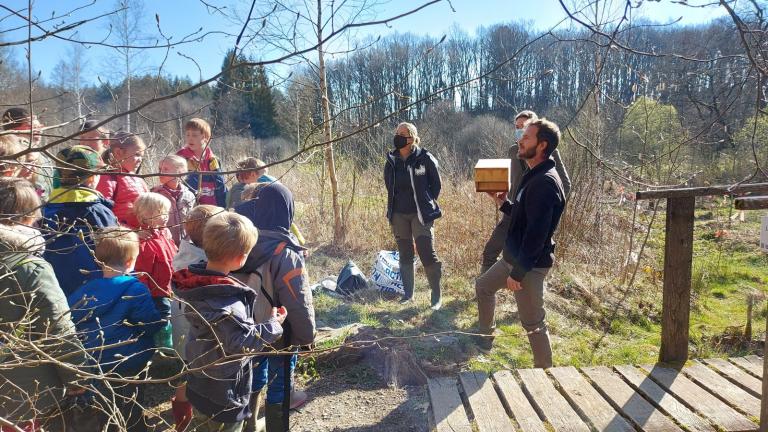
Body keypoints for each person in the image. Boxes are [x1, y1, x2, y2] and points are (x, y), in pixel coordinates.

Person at [173, 212, 287, 431]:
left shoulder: (193, 281)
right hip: (223, 392)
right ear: (241, 258)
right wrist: (274, 324)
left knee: (203, 425)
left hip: (198, 378)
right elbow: (241, 341)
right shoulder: (227, 300)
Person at [474, 118, 567, 368]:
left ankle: (546, 375)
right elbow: (526, 216)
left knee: (533, 325)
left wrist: (518, 272)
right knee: (483, 287)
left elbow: (537, 233)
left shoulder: (545, 182)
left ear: (542, 145)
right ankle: (485, 339)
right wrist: (504, 204)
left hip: (529, 266)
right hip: (513, 258)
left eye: (526, 137)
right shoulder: (533, 174)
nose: (519, 140)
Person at [0, 178, 87, 430]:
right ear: (28, 217)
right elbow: (57, 330)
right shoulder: (29, 268)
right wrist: (77, 377)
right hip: (24, 393)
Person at [234, 181, 315, 431]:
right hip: (282, 332)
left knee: (254, 376)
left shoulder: (241, 242)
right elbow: (298, 301)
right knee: (280, 383)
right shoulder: (285, 252)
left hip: (248, 328)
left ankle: (249, 425)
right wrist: (307, 336)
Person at [68, 226, 164, 432]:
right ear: (131, 261)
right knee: (131, 405)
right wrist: (162, 321)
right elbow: (149, 324)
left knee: (106, 405)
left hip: (95, 360)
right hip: (128, 360)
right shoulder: (135, 288)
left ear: (98, 260)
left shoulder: (84, 290)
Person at [480, 110, 571, 274]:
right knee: (490, 251)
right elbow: (512, 179)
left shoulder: (550, 152)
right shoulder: (513, 151)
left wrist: (545, 208)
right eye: (517, 127)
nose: (520, 130)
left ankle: (516, 283)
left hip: (531, 217)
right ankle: (484, 289)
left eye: (523, 127)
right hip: (511, 212)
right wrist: (497, 189)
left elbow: (564, 183)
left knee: (527, 258)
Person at [169, 204, 224, 431]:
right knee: (197, 380)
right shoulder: (204, 265)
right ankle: (192, 421)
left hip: (182, 333)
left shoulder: (184, 253)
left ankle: (182, 422)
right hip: (197, 337)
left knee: (185, 376)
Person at [43, 145, 118, 295]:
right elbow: (115, 254)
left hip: (53, 292)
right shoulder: (99, 212)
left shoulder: (43, 210)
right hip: (94, 294)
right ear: (91, 178)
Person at [383, 122, 443, 309]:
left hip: (421, 214)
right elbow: (389, 185)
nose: (398, 137)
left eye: (403, 134)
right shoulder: (391, 161)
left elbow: (436, 185)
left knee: (426, 251)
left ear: (411, 137)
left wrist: (425, 202)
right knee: (405, 254)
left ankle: (436, 296)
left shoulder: (425, 159)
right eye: (397, 133)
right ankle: (408, 295)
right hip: (399, 214)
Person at [132, 192, 178, 348]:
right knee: (163, 319)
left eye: (167, 213)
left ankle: (168, 347)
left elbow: (174, 255)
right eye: (161, 213)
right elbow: (141, 272)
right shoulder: (143, 241)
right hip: (156, 291)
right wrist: (144, 294)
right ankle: (163, 350)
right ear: (146, 215)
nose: (166, 217)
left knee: (170, 316)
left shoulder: (164, 233)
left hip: (169, 286)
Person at [97, 131, 149, 228]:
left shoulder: (139, 179)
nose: (140, 160)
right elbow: (102, 214)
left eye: (142, 156)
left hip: (143, 233)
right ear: (118, 152)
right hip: (123, 238)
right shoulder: (107, 178)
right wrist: (131, 231)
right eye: (137, 155)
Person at [2, 108, 53, 199]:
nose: (38, 130)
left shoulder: (45, 157)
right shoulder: (6, 156)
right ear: (14, 130)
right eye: (31, 127)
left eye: (40, 127)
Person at [176, 118, 227, 207]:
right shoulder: (181, 158)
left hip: (213, 209)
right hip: (190, 208)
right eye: (188, 135)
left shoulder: (213, 160)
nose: (190, 138)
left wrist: (224, 207)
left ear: (205, 137)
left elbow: (221, 187)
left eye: (194, 135)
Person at [152, 154, 196, 246]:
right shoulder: (155, 194)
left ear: (180, 172)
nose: (160, 172)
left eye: (166, 169)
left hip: (185, 244)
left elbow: (191, 221)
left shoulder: (189, 195)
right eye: (159, 169)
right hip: (165, 243)